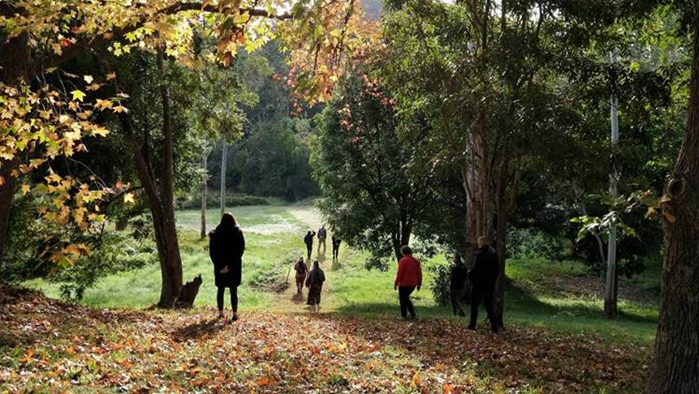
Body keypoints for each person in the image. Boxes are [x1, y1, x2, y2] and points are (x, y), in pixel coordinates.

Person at [209, 212, 245, 322]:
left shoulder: (216, 233)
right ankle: (234, 314)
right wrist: (230, 266)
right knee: (233, 291)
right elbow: (240, 250)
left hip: (220, 267)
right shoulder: (237, 232)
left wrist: (220, 267)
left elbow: (212, 252)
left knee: (220, 289)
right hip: (234, 267)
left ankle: (220, 313)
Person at [468, 236, 500, 333]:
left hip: (478, 283)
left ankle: (472, 325)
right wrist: (493, 280)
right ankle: (494, 326)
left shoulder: (479, 255)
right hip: (489, 284)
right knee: (488, 305)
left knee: (474, 304)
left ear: (480, 244)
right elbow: (496, 271)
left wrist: (469, 274)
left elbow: (475, 269)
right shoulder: (494, 256)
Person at [394, 245, 422, 319]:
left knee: (403, 299)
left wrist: (396, 283)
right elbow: (419, 274)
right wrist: (419, 284)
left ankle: (405, 315)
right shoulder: (416, 261)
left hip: (404, 284)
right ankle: (411, 314)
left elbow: (400, 273)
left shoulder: (403, 261)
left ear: (403, 252)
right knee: (405, 298)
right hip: (413, 284)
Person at [449, 252, 468, 316]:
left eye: (453, 258)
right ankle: (459, 312)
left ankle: (456, 313)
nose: (453, 259)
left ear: (456, 258)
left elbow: (452, 278)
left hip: (454, 286)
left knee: (454, 300)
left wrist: (450, 286)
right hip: (461, 285)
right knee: (458, 299)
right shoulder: (464, 267)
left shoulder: (455, 268)